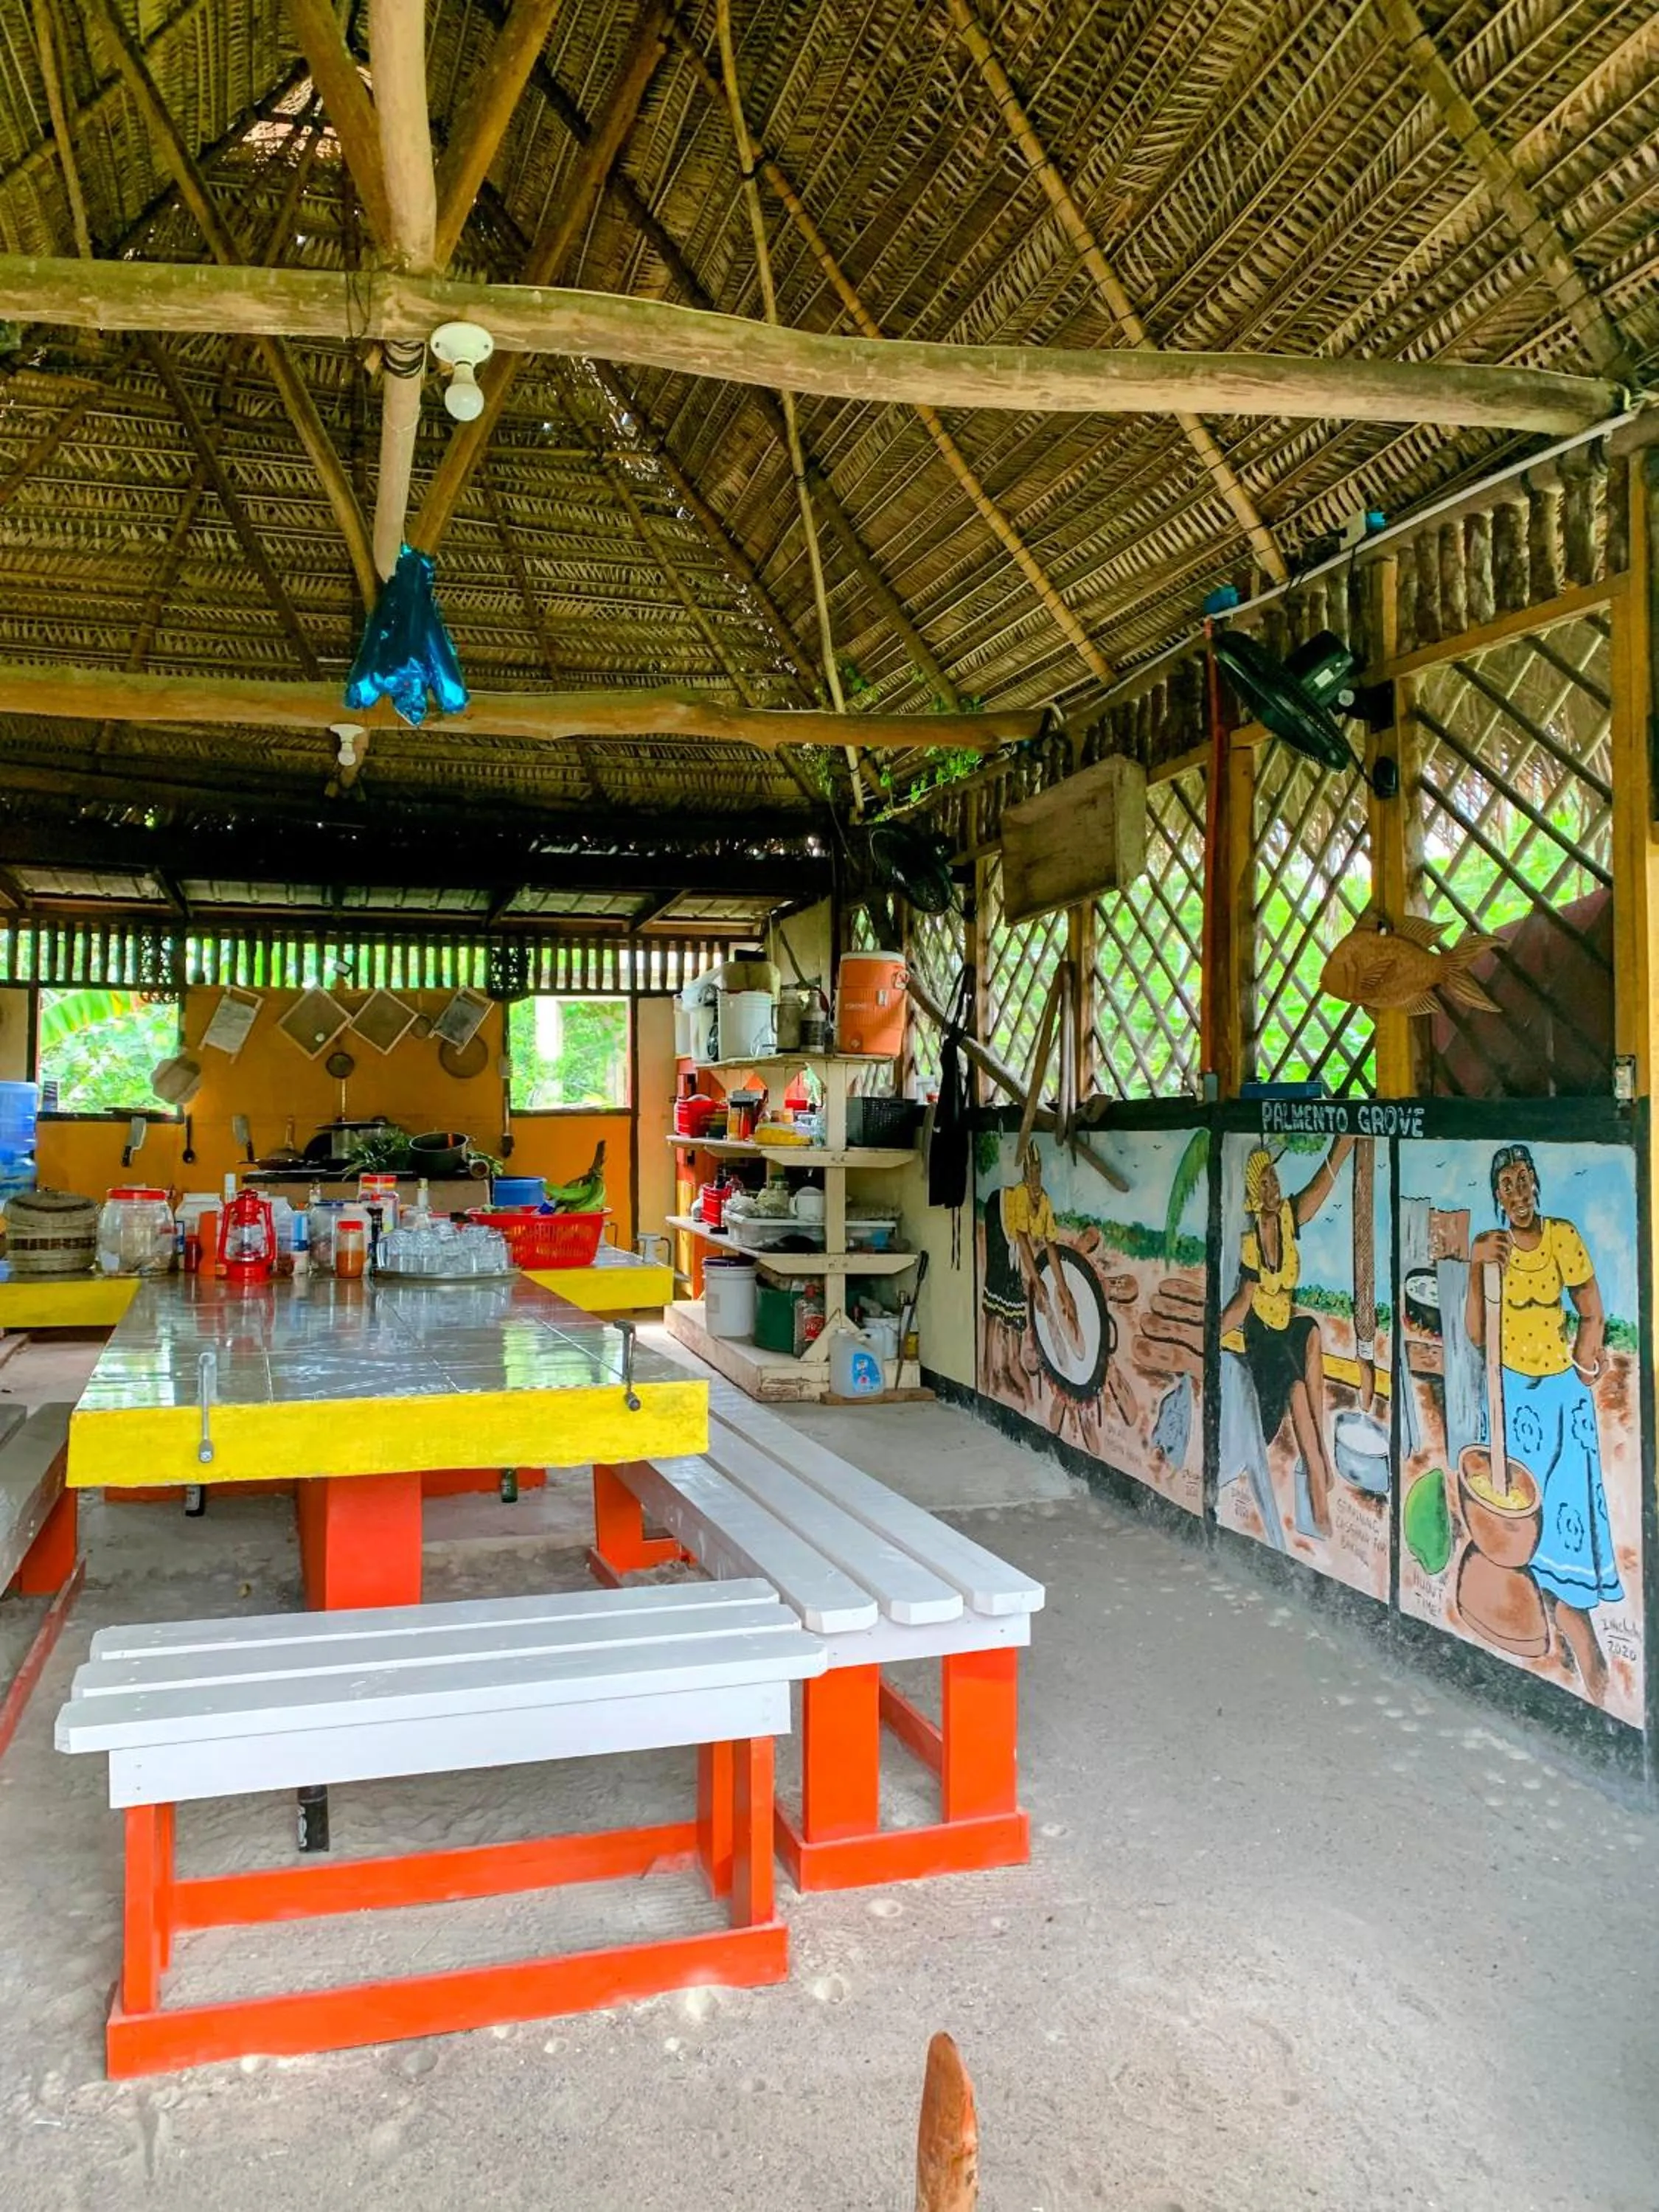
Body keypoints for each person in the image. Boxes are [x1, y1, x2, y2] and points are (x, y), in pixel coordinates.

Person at [1466, 1142, 1621, 1700]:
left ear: (1536, 1183)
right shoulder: (1495, 1247)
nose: (1518, 1192)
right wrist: (1477, 1265)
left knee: (1568, 1504)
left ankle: (1576, 1617)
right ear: (1498, 1195)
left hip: (1561, 1391)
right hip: (1511, 1393)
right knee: (1519, 1510)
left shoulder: (1562, 1237)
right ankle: (1539, 1615)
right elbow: (1477, 1333)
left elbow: (1590, 1308)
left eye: (1524, 1179)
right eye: (1507, 1184)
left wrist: (1585, 1360)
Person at [1218, 1136, 1353, 1537]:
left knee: (1310, 1332)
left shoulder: (1289, 1218)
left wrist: (1343, 1146)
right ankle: (1316, 1482)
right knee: (1295, 1387)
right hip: (1262, 1338)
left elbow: (1318, 1188)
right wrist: (1211, 1334)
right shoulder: (1250, 1244)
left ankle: (1320, 1451)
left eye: (1274, 1178)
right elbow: (1244, 1302)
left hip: (1285, 1329)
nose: (1272, 1187)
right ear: (1252, 1192)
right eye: (1263, 1183)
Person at [981, 1142, 1079, 1408]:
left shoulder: (1043, 1201)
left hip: (1014, 1238)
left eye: (1038, 1174)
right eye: (1031, 1174)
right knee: (999, 1284)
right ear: (1025, 1175)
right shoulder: (1021, 1196)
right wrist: (1036, 1280)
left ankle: (1011, 1364)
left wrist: (1064, 1290)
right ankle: (988, 1371)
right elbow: (1022, 1241)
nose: (1035, 1180)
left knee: (1013, 1296)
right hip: (999, 1217)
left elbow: (1050, 1246)